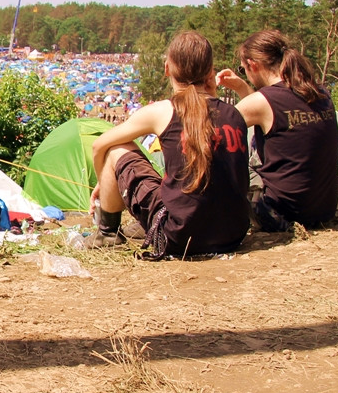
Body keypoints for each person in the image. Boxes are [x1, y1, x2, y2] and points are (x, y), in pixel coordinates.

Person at [87, 31, 250, 257]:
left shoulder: (163, 111)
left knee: (117, 149)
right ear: (210, 72)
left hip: (178, 237)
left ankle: (107, 233)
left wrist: (105, 185)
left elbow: (99, 146)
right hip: (233, 235)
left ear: (167, 68)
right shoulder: (234, 114)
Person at [215, 29, 338, 231]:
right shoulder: (320, 92)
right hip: (323, 210)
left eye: (243, 68)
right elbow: (269, 113)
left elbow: (213, 130)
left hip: (279, 214)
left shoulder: (265, 101)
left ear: (253, 65)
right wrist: (242, 88)